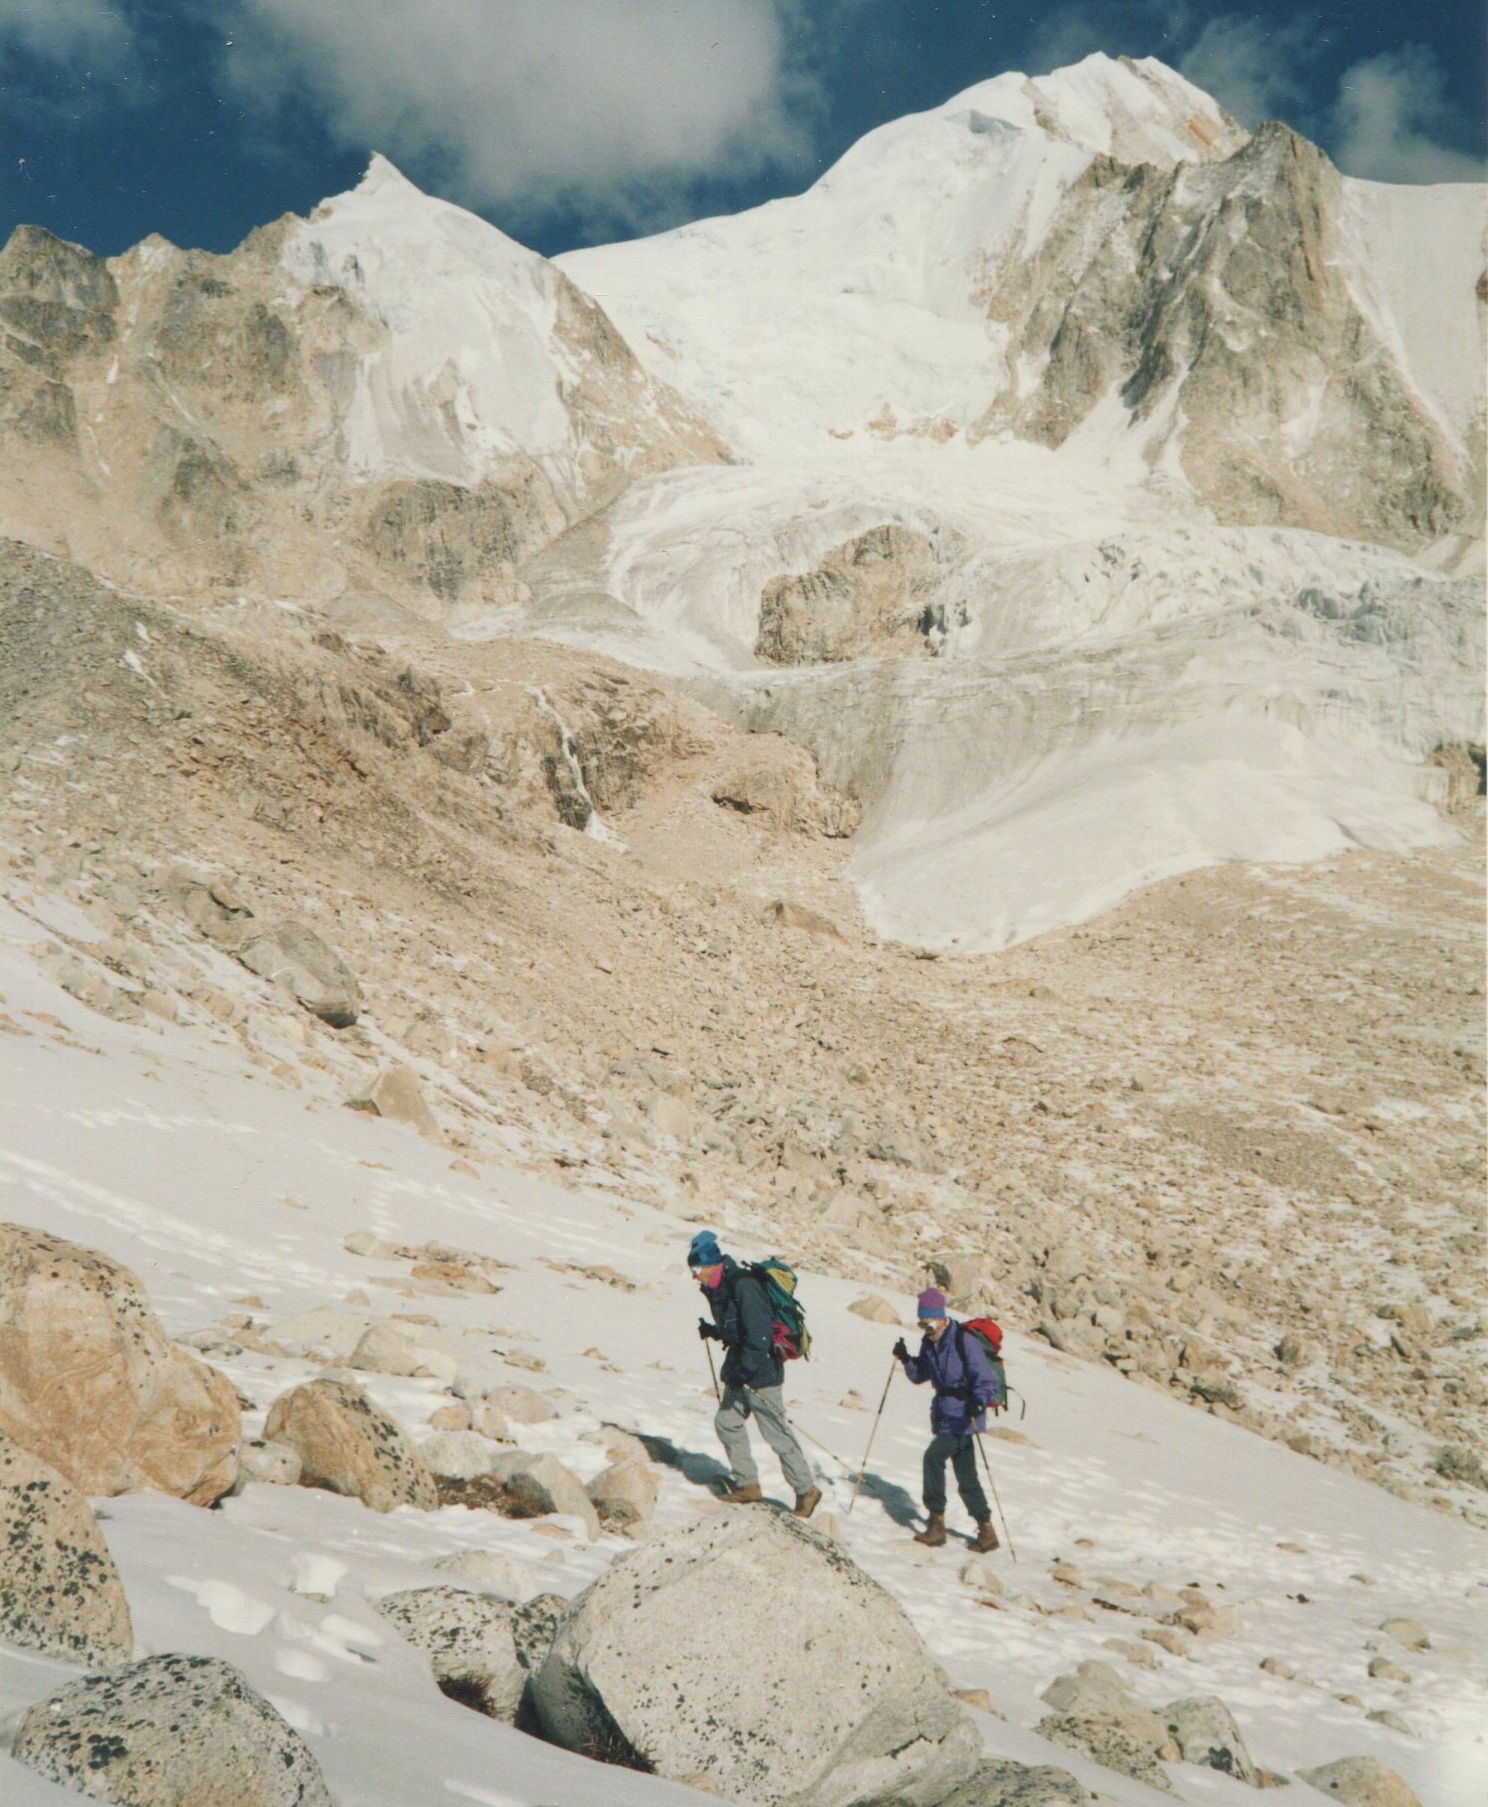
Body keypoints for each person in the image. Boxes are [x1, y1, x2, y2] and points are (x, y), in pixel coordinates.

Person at [689, 1229, 821, 1517]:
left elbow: (759, 1336)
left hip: (761, 1374)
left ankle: (807, 1490)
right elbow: (740, 1329)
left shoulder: (744, 1286)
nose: (694, 1276)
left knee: (776, 1435)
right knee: (727, 1422)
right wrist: (714, 1331)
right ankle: (747, 1485)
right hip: (740, 1368)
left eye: (697, 1269)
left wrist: (744, 1371)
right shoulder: (720, 1288)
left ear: (712, 1264)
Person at [893, 1287, 999, 1551]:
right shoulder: (929, 1342)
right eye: (921, 1323)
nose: (925, 1328)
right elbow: (920, 1376)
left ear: (941, 1317)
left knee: (933, 1458)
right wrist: (906, 1358)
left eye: (928, 1322)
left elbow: (986, 1380)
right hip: (944, 1414)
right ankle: (987, 1531)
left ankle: (936, 1523)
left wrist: (978, 1400)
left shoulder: (964, 1340)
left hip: (964, 1416)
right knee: (967, 1475)